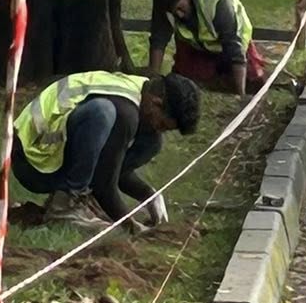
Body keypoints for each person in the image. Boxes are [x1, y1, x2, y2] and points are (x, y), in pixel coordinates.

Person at [12, 71, 201, 229]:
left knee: (152, 141)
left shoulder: (142, 91)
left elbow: (114, 172)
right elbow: (104, 184)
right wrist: (132, 226)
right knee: (102, 113)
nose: (159, 129)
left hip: (55, 156)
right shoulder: (125, 110)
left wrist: (149, 195)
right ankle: (65, 205)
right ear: (156, 102)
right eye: (161, 123)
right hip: (30, 159)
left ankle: (82, 198)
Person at [148, 0, 265, 99]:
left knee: (252, 82)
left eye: (181, 8)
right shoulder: (162, 2)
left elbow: (233, 46)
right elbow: (158, 39)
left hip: (233, 43)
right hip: (196, 44)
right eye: (174, 11)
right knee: (184, 83)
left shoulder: (217, 1)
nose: (179, 15)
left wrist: (240, 95)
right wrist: (154, 79)